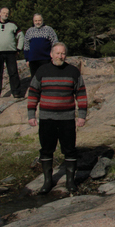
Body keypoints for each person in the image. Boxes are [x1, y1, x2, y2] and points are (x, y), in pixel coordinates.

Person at [27, 42, 87, 194]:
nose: (60, 56)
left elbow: (81, 93)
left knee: (70, 149)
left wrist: (81, 116)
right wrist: (31, 114)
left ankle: (70, 181)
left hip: (67, 118)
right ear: (51, 54)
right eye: (57, 53)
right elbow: (33, 92)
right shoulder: (42, 70)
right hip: (47, 118)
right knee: (46, 150)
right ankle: (48, 181)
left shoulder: (73, 71)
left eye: (63, 53)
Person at [0, 7, 24, 99]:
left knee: (13, 73)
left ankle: (16, 92)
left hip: (11, 52)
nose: (5, 14)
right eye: (4, 13)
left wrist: (18, 49)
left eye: (7, 13)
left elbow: (21, 36)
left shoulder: (13, 24)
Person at [23, 14, 59, 79]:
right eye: (36, 21)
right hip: (33, 60)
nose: (37, 22)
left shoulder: (49, 29)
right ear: (33, 21)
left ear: (42, 20)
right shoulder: (29, 31)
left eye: (39, 20)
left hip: (46, 58)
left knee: (47, 77)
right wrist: (27, 59)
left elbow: (55, 43)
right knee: (35, 79)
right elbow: (26, 45)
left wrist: (54, 55)